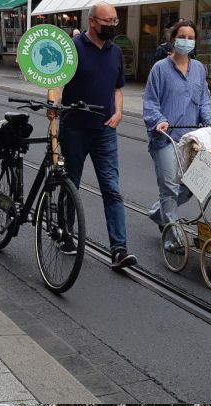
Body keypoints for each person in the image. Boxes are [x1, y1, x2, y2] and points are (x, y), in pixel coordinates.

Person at [54, 1, 135, 269]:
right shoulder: (73, 49)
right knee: (71, 184)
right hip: (74, 128)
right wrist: (53, 106)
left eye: (115, 21)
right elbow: (56, 81)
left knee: (112, 189)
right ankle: (66, 233)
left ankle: (119, 249)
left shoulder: (115, 53)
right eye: (107, 21)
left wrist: (119, 112)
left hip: (104, 131)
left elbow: (117, 89)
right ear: (92, 21)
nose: (112, 26)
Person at [143, 19, 211, 239]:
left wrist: (209, 120)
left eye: (191, 37)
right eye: (182, 37)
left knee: (195, 185)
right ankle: (173, 239)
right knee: (169, 188)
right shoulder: (160, 69)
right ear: (173, 39)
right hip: (165, 137)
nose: (186, 41)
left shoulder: (198, 69)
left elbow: (204, 99)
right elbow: (150, 101)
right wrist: (158, 120)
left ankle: (159, 212)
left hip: (193, 138)